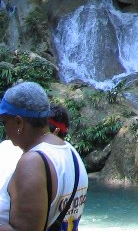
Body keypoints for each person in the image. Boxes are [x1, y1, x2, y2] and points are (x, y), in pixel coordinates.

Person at [0, 82, 88, 231]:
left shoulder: (32, 162)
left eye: (4, 122)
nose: (5, 129)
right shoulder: (70, 152)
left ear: (19, 122)